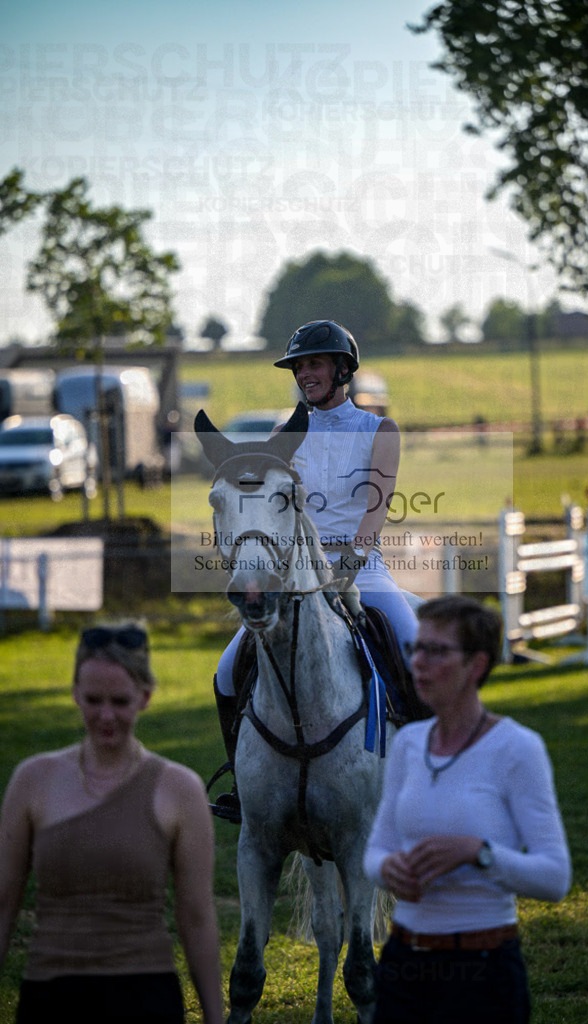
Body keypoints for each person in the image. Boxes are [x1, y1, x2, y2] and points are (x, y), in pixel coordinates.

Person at [212, 320, 418, 817]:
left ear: (342, 368)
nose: (305, 373)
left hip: (363, 571)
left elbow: (377, 506)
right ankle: (245, 784)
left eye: (315, 364)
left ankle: (426, 778)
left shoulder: (379, 430)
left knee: (414, 648)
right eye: (299, 366)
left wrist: (349, 565)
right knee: (225, 671)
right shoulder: (284, 434)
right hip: (297, 572)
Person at [0, 623, 224, 1024]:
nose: (106, 716)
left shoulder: (179, 788)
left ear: (146, 697)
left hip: (145, 994)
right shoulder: (33, 780)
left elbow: (197, 915)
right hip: (51, 995)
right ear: (74, 695)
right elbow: (3, 903)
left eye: (120, 701)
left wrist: (214, 1015)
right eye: (93, 700)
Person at [363, 595, 572, 1024]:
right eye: (416, 648)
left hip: (482, 967)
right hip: (402, 961)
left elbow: (555, 878)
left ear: (476, 666)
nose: (418, 662)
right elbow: (374, 853)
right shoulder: (407, 744)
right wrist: (390, 871)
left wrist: (478, 852)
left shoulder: (517, 749)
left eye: (436, 651)